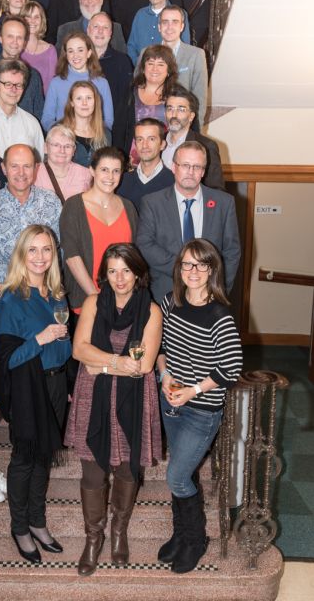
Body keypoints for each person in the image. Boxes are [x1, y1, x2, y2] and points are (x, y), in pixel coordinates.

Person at [65, 243, 162, 574]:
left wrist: (102, 363)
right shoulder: (92, 302)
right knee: (92, 470)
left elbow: (145, 365)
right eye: (112, 271)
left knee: (126, 469)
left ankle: (119, 531)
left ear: (137, 272)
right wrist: (119, 362)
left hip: (133, 397)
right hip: (93, 397)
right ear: (103, 275)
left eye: (125, 270)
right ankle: (94, 538)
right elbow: (79, 350)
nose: (119, 278)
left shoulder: (151, 311)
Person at [157, 238, 242, 573]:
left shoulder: (220, 315)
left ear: (212, 270)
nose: (192, 271)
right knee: (181, 473)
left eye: (201, 264)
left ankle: (196, 540)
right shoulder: (169, 303)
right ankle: (181, 535)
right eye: (187, 264)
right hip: (171, 403)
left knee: (177, 477)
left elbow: (230, 368)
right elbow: (161, 346)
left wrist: (192, 390)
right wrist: (164, 375)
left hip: (201, 409)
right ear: (179, 268)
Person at [0, 225, 71, 563]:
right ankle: (19, 526)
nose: (40, 257)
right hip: (29, 387)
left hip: (55, 384)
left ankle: (38, 521)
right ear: (22, 255)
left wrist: (65, 379)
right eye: (33, 250)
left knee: (44, 457)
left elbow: (65, 344)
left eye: (47, 250)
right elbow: (7, 360)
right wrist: (41, 339)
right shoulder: (12, 298)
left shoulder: (56, 293)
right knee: (24, 459)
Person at [137, 140, 241, 304]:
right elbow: (144, 244)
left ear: (203, 171)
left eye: (197, 167)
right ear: (174, 167)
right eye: (185, 165)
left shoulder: (224, 203)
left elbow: (232, 251)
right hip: (164, 294)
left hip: (209, 295)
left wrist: (220, 290)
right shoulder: (152, 203)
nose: (190, 172)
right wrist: (186, 268)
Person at [60, 147, 138, 316]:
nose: (110, 177)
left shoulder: (128, 207)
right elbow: (72, 256)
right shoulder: (73, 206)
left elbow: (134, 255)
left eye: (116, 171)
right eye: (104, 170)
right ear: (92, 171)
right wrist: (97, 297)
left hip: (124, 301)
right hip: (87, 301)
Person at [0, 144, 62, 284]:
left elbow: (58, 250)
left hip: (45, 290)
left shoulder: (51, 202)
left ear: (36, 168)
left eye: (27, 166)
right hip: (5, 291)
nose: (21, 173)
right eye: (14, 166)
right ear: (4, 168)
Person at [112, 44, 178, 159]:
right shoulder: (129, 93)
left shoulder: (177, 96)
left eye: (161, 64)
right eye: (150, 63)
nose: (154, 69)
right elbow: (119, 129)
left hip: (167, 159)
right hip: (133, 158)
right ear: (143, 68)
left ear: (169, 70)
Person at [0, 15, 44, 117]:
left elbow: (38, 114)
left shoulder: (33, 76)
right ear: (0, 38)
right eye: (10, 36)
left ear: (24, 42)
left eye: (19, 37)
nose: (15, 42)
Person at [41, 32, 114, 132]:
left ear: (89, 53)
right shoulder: (56, 83)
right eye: (71, 51)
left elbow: (108, 121)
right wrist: (62, 132)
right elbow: (46, 119)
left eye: (80, 50)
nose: (75, 55)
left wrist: (89, 133)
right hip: (64, 140)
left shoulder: (102, 83)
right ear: (66, 55)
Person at [161, 84, 224, 190]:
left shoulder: (207, 146)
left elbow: (216, 190)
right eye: (170, 109)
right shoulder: (157, 141)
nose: (174, 114)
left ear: (191, 116)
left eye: (181, 109)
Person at [0, 59, 44, 159]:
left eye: (18, 85)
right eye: (8, 84)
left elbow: (38, 164)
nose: (14, 90)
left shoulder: (32, 123)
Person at [158, 5, 208, 129]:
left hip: (182, 126)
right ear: (159, 27)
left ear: (182, 26)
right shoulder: (146, 53)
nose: (169, 27)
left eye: (175, 22)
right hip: (154, 125)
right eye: (165, 22)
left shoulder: (196, 55)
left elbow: (200, 98)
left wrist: (196, 131)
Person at [127, 0, 190, 65]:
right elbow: (131, 46)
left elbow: (185, 48)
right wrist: (140, 67)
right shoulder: (140, 15)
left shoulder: (179, 14)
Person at [87, 12, 133, 124]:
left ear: (111, 33)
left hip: (111, 127)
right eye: (96, 26)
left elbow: (125, 103)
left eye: (105, 27)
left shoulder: (123, 61)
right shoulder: (77, 60)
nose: (100, 31)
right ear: (88, 30)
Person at [117, 117, 174, 209]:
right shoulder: (121, 181)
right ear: (135, 144)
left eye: (151, 139)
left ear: (162, 145)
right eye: (140, 139)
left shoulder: (174, 183)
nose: (144, 145)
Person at [56, 0, 125, 54]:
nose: (89, 1)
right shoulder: (65, 30)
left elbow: (122, 58)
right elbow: (61, 62)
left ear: (101, 0)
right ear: (80, 2)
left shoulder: (116, 28)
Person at [34, 124, 91, 202]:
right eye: (56, 145)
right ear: (45, 148)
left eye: (67, 146)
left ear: (74, 150)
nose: (62, 151)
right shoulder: (34, 172)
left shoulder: (86, 174)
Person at [61, 81, 111, 168]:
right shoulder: (59, 132)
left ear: (95, 102)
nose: (84, 103)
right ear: (72, 103)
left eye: (89, 98)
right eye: (79, 98)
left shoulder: (106, 134)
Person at [20, 0, 58, 94]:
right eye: (28, 17)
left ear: (42, 20)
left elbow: (52, 85)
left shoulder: (50, 50)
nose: (32, 21)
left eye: (36, 17)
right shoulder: (16, 47)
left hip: (43, 104)